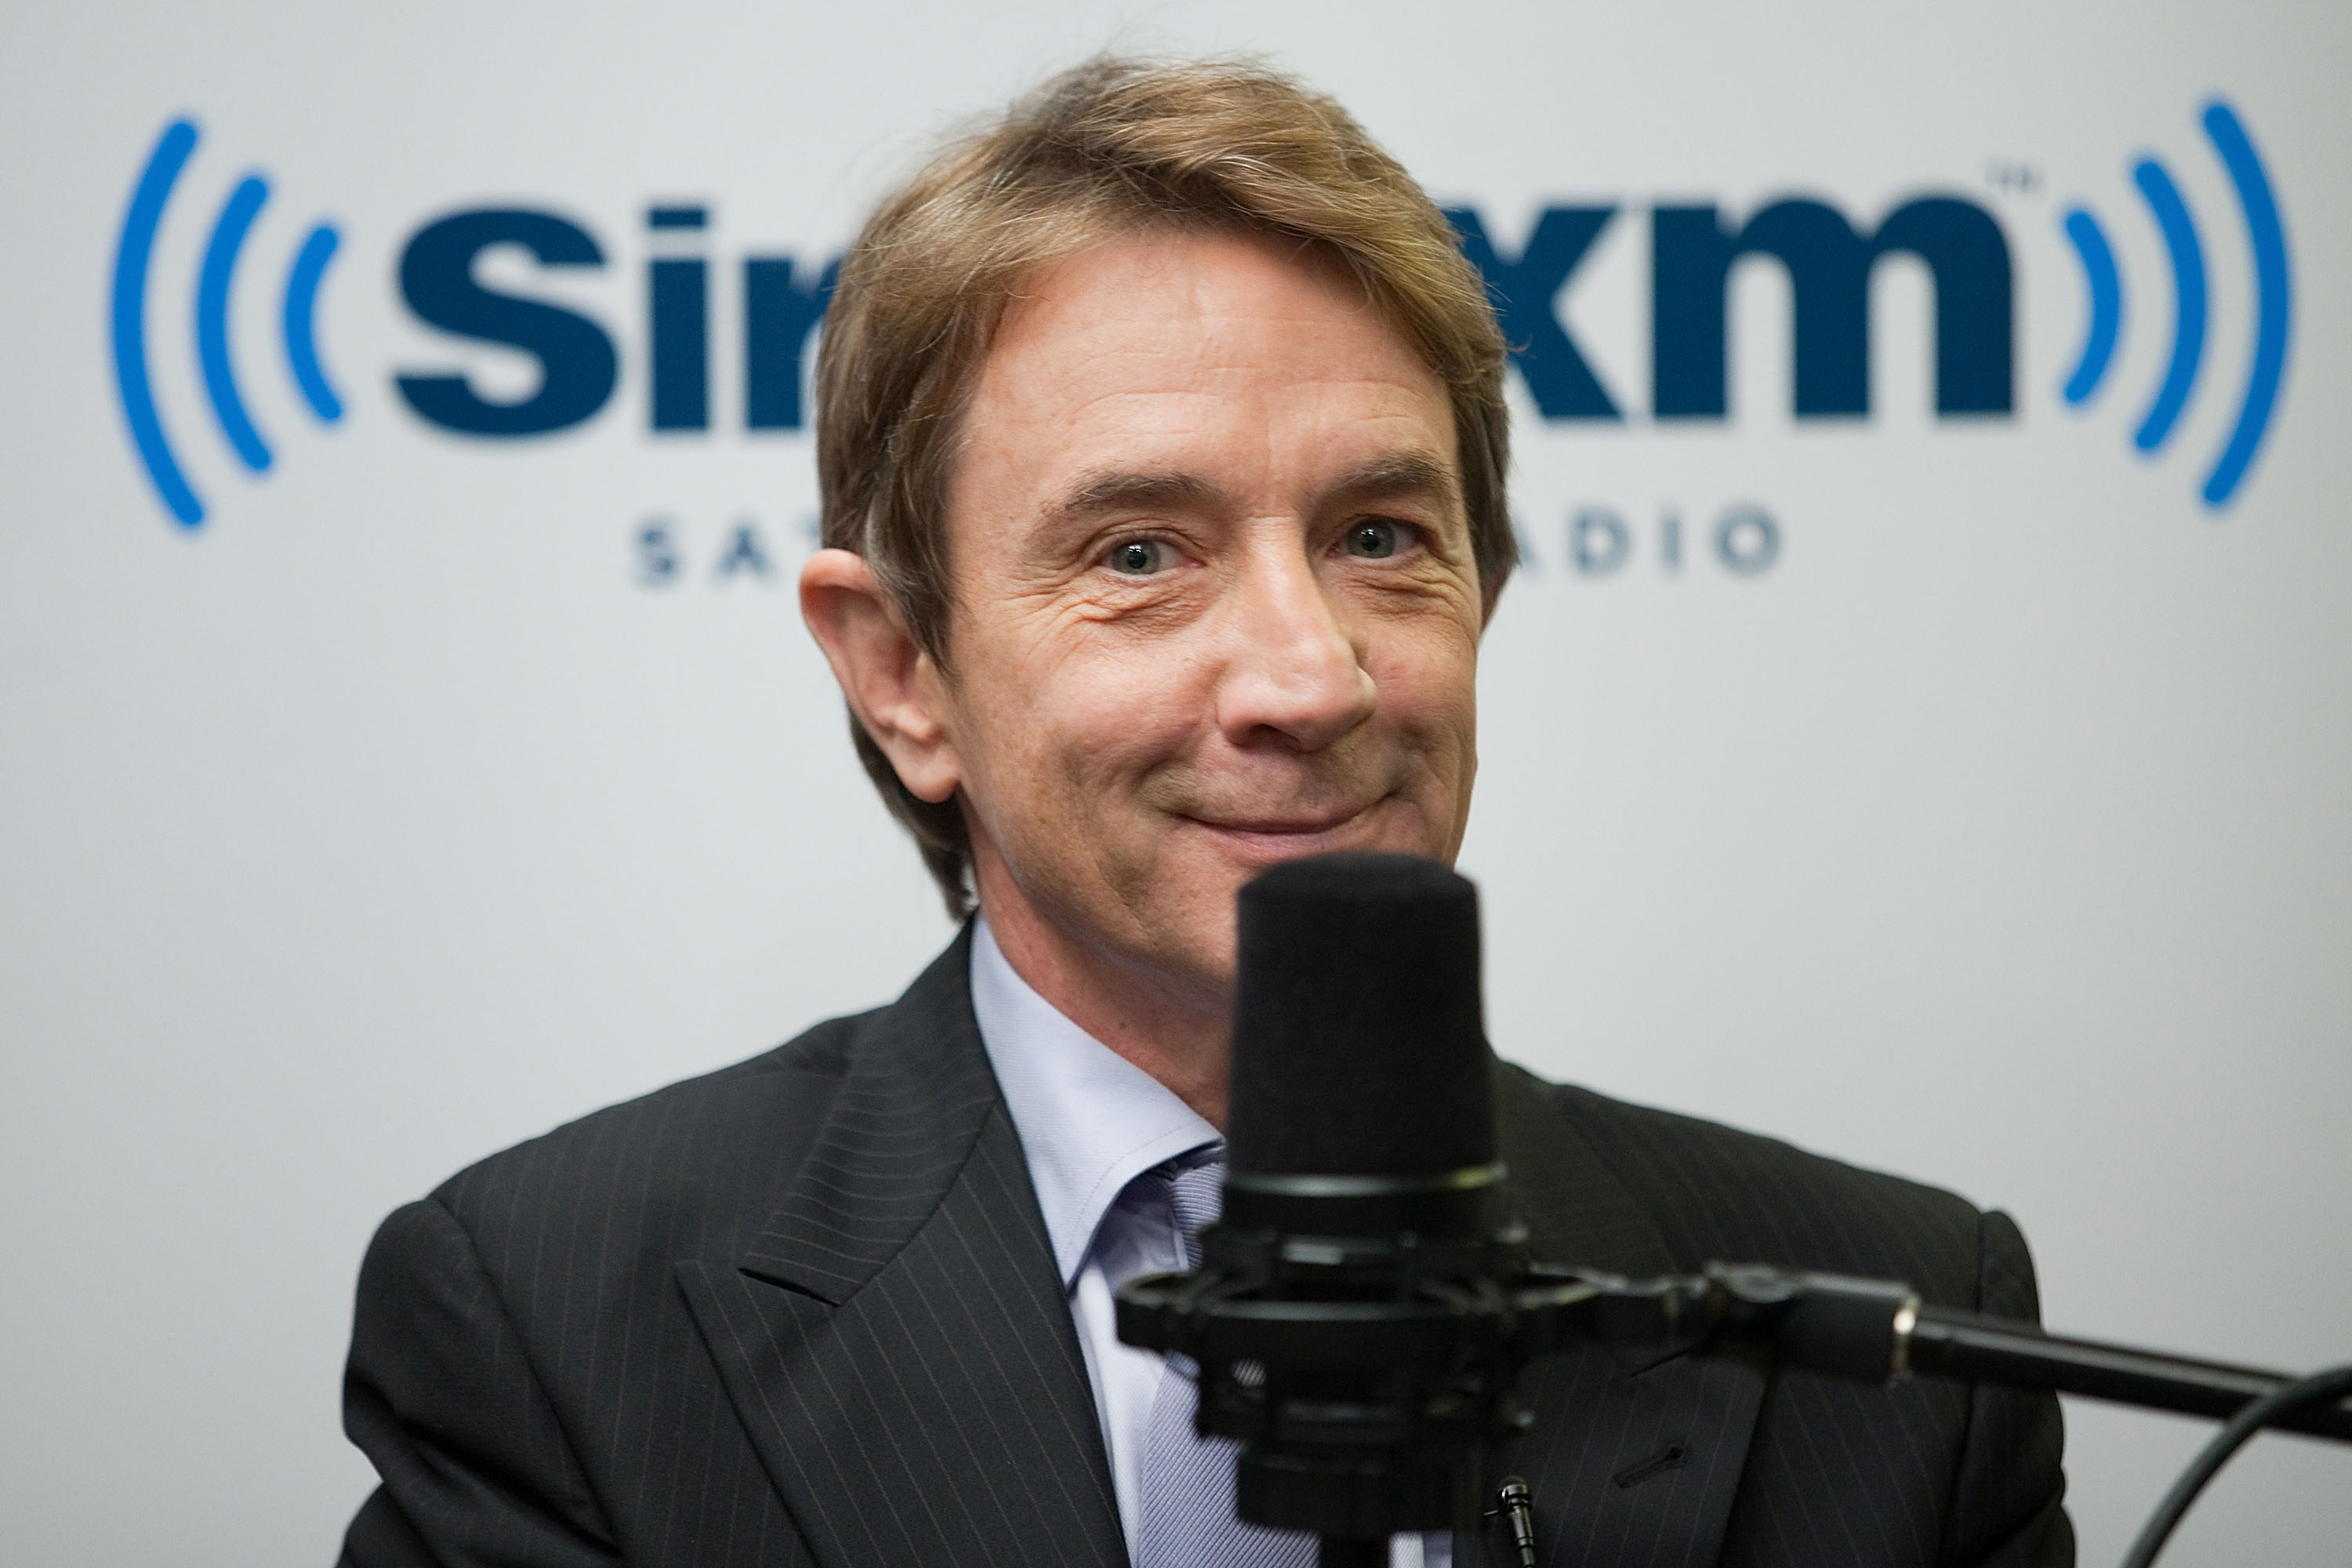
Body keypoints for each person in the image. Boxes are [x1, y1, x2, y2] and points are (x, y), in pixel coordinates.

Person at [337, 57, 2071, 1568]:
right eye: (1140, 554)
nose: (1312, 680)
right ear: (902, 674)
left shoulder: (1900, 1336)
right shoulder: (556, 1322)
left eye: (1381, 536)